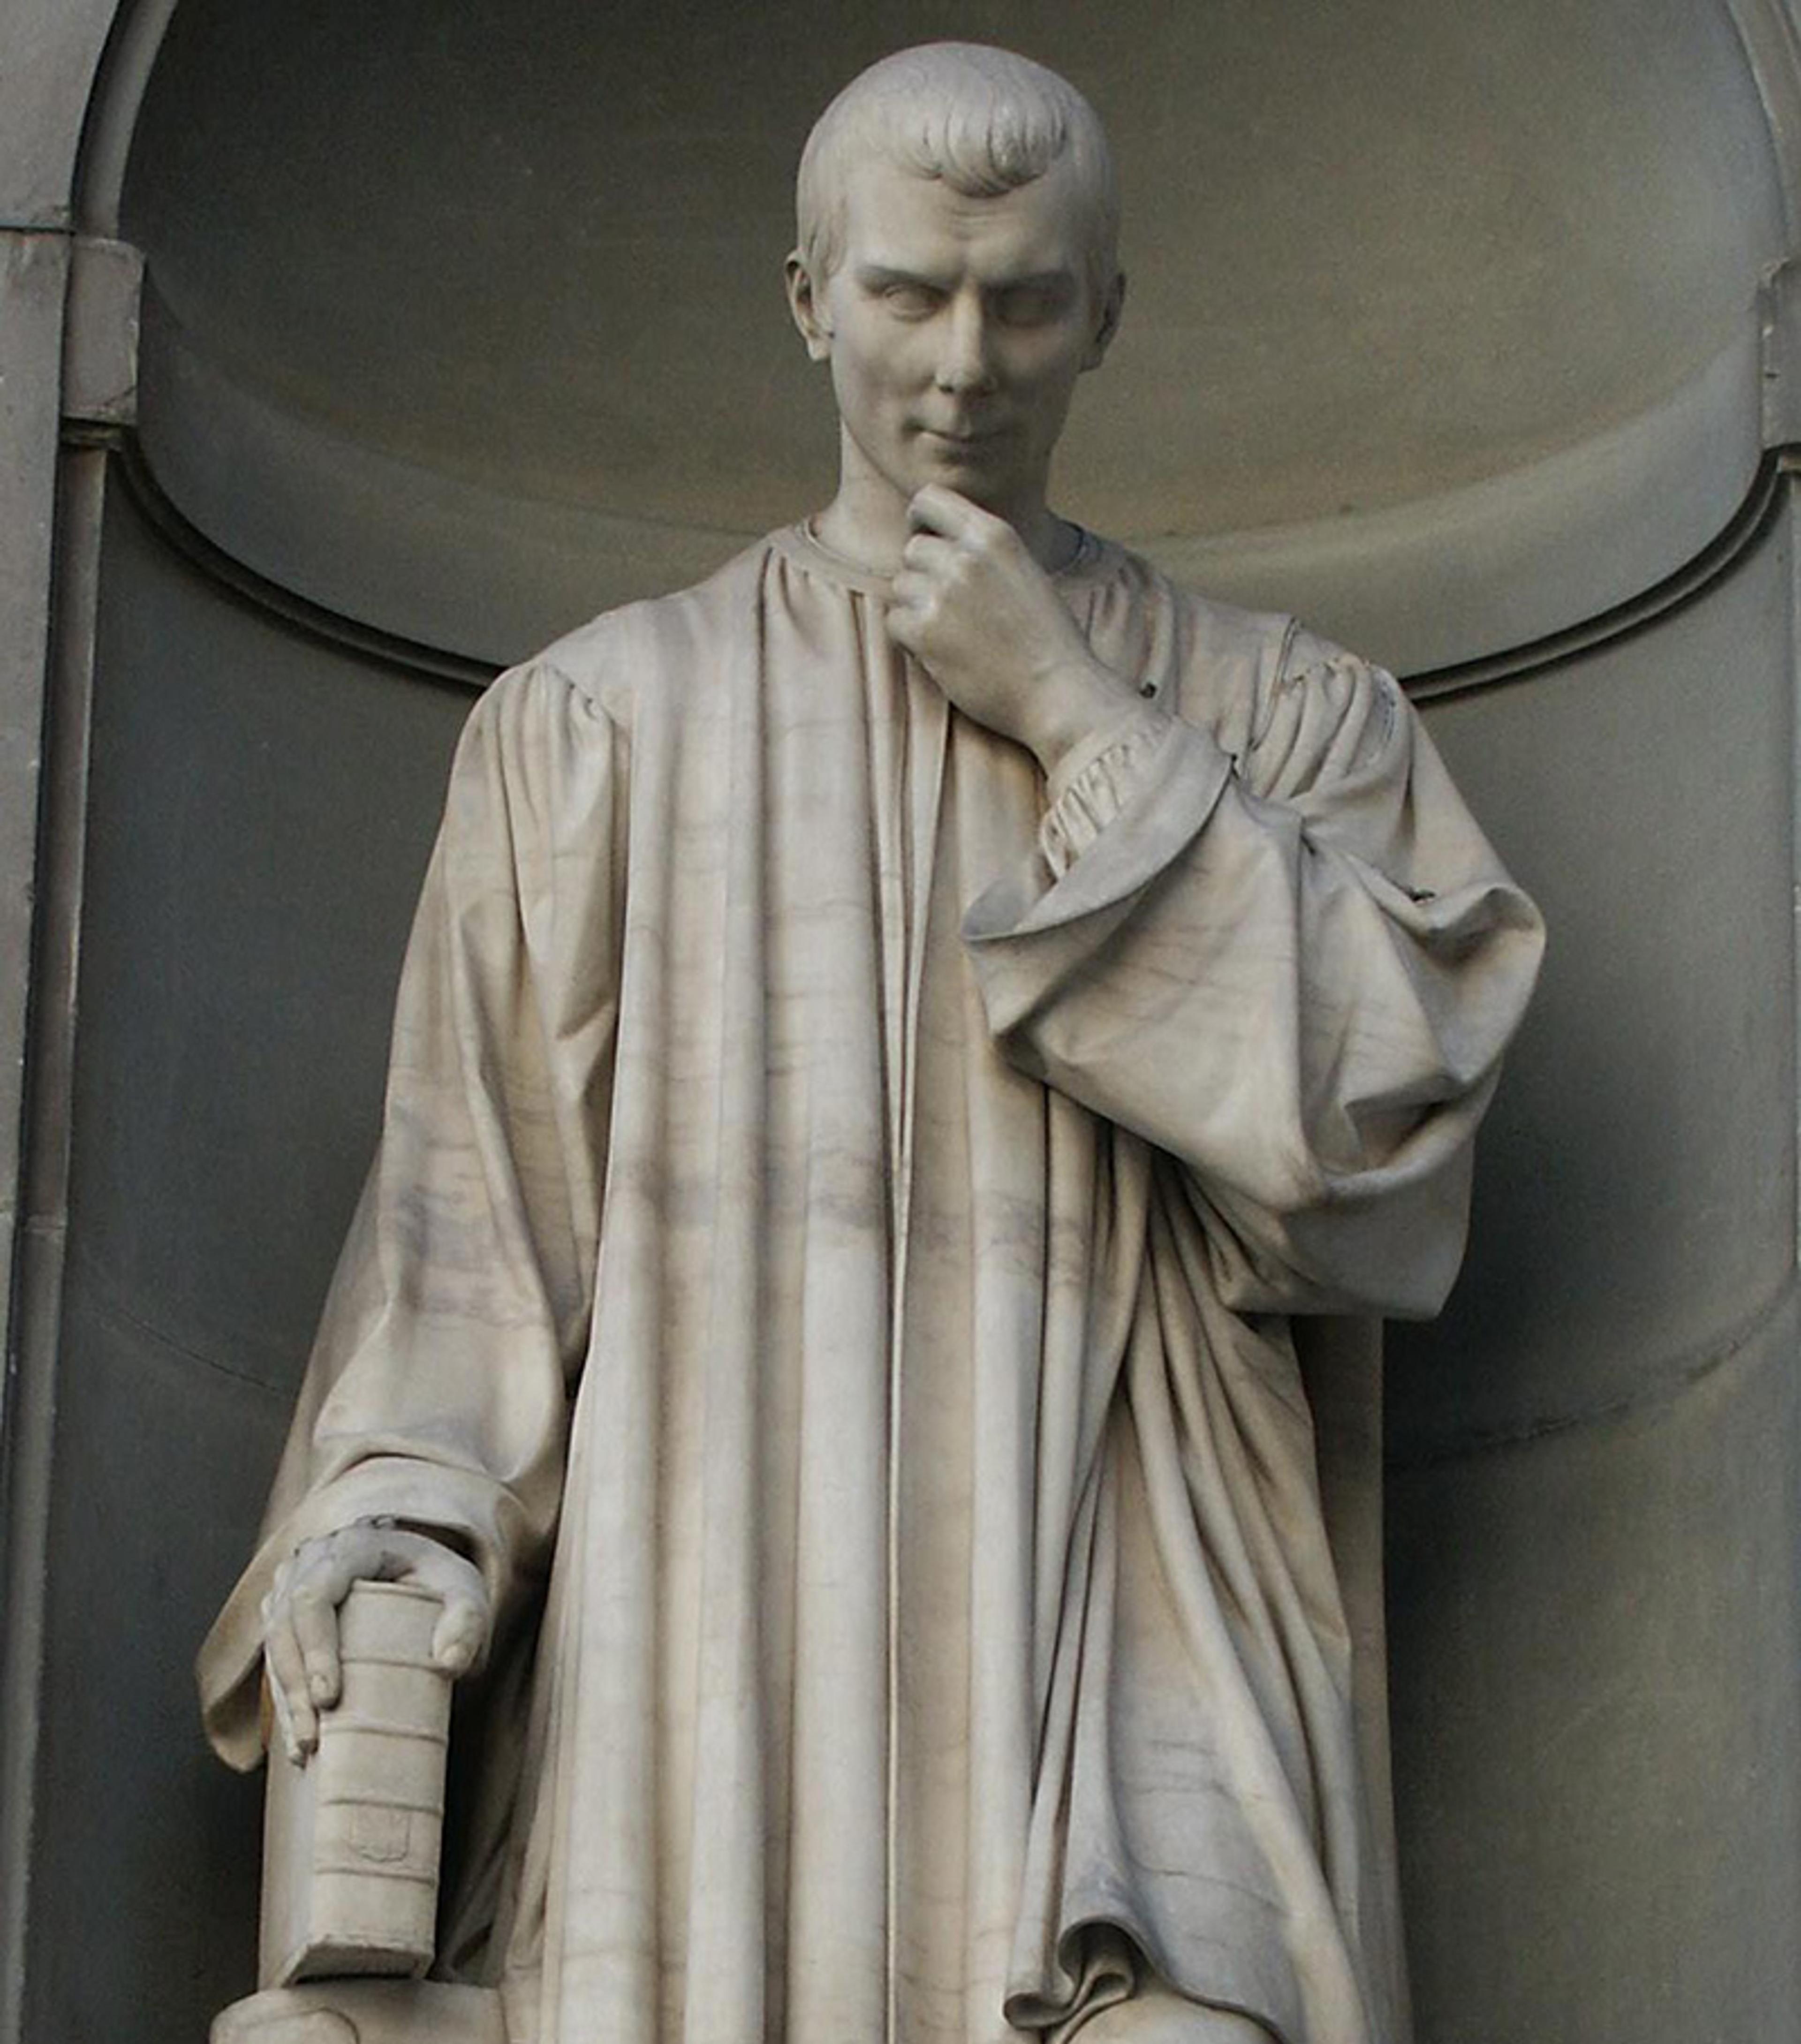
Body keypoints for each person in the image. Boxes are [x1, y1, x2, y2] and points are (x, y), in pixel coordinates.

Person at [199, 42, 1542, 2044]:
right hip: (703, 1672)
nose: (963, 361)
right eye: (910, 292)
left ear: (1109, 313)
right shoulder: (601, 728)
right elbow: (469, 1244)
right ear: (809, 295)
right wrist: (394, 1523)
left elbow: (1373, 1145)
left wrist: (1077, 716)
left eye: (1023, 299)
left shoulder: (1288, 722)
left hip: (1133, 1665)